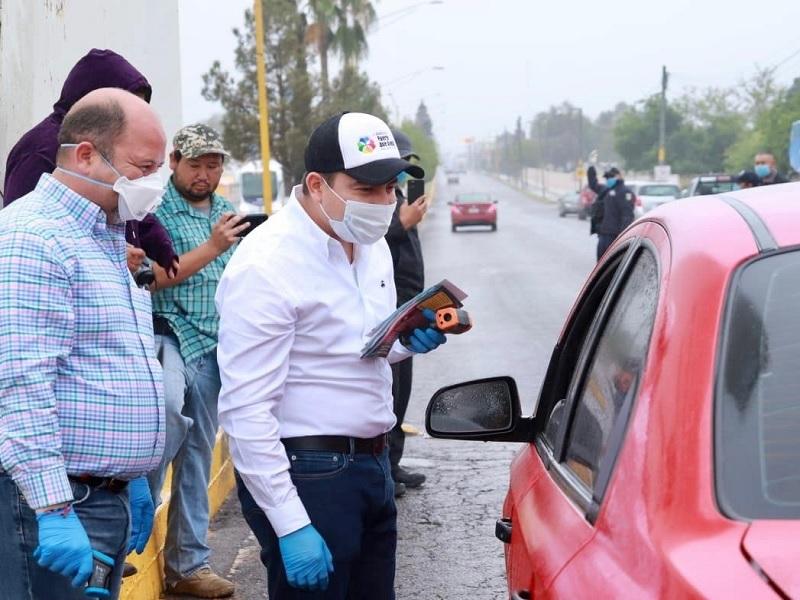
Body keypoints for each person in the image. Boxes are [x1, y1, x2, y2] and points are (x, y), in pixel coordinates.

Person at [216, 112, 448, 598]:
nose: (385, 203)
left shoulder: (371, 247)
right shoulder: (267, 265)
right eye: (368, 190)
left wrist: (405, 341)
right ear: (318, 185)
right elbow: (245, 410)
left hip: (373, 465)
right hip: (309, 475)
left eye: (392, 188)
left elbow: (357, 349)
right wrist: (290, 523)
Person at [0, 88, 166, 600]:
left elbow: (113, 359)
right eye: (143, 167)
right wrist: (53, 510)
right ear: (87, 155)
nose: (154, 183)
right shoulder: (34, 238)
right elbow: (21, 383)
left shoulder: (107, 236)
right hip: (57, 506)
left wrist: (134, 476)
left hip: (101, 497)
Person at [147, 124, 246, 598]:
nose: (205, 175)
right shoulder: (154, 211)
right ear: (174, 163)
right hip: (167, 336)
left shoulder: (227, 213)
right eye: (196, 165)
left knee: (197, 454)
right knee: (156, 434)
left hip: (213, 347)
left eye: (213, 165)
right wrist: (213, 247)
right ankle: (126, 542)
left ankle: (188, 565)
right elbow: (152, 279)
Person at [3, 48, 179, 280]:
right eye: (125, 105)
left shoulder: (118, 152)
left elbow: (129, 202)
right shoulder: (40, 148)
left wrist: (161, 246)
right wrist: (106, 254)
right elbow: (29, 218)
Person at [385, 129, 429, 498]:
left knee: (401, 393)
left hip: (409, 306)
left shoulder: (399, 198)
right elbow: (365, 239)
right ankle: (382, 470)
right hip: (388, 307)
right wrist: (403, 223)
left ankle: (392, 464)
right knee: (387, 391)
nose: (403, 174)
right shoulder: (379, 202)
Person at [588, 164, 635, 261]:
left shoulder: (625, 192)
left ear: (618, 176)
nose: (608, 179)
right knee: (601, 263)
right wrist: (591, 168)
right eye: (607, 177)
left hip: (615, 236)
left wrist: (622, 237)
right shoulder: (606, 190)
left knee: (613, 264)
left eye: (610, 177)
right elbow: (593, 184)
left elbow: (627, 216)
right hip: (603, 234)